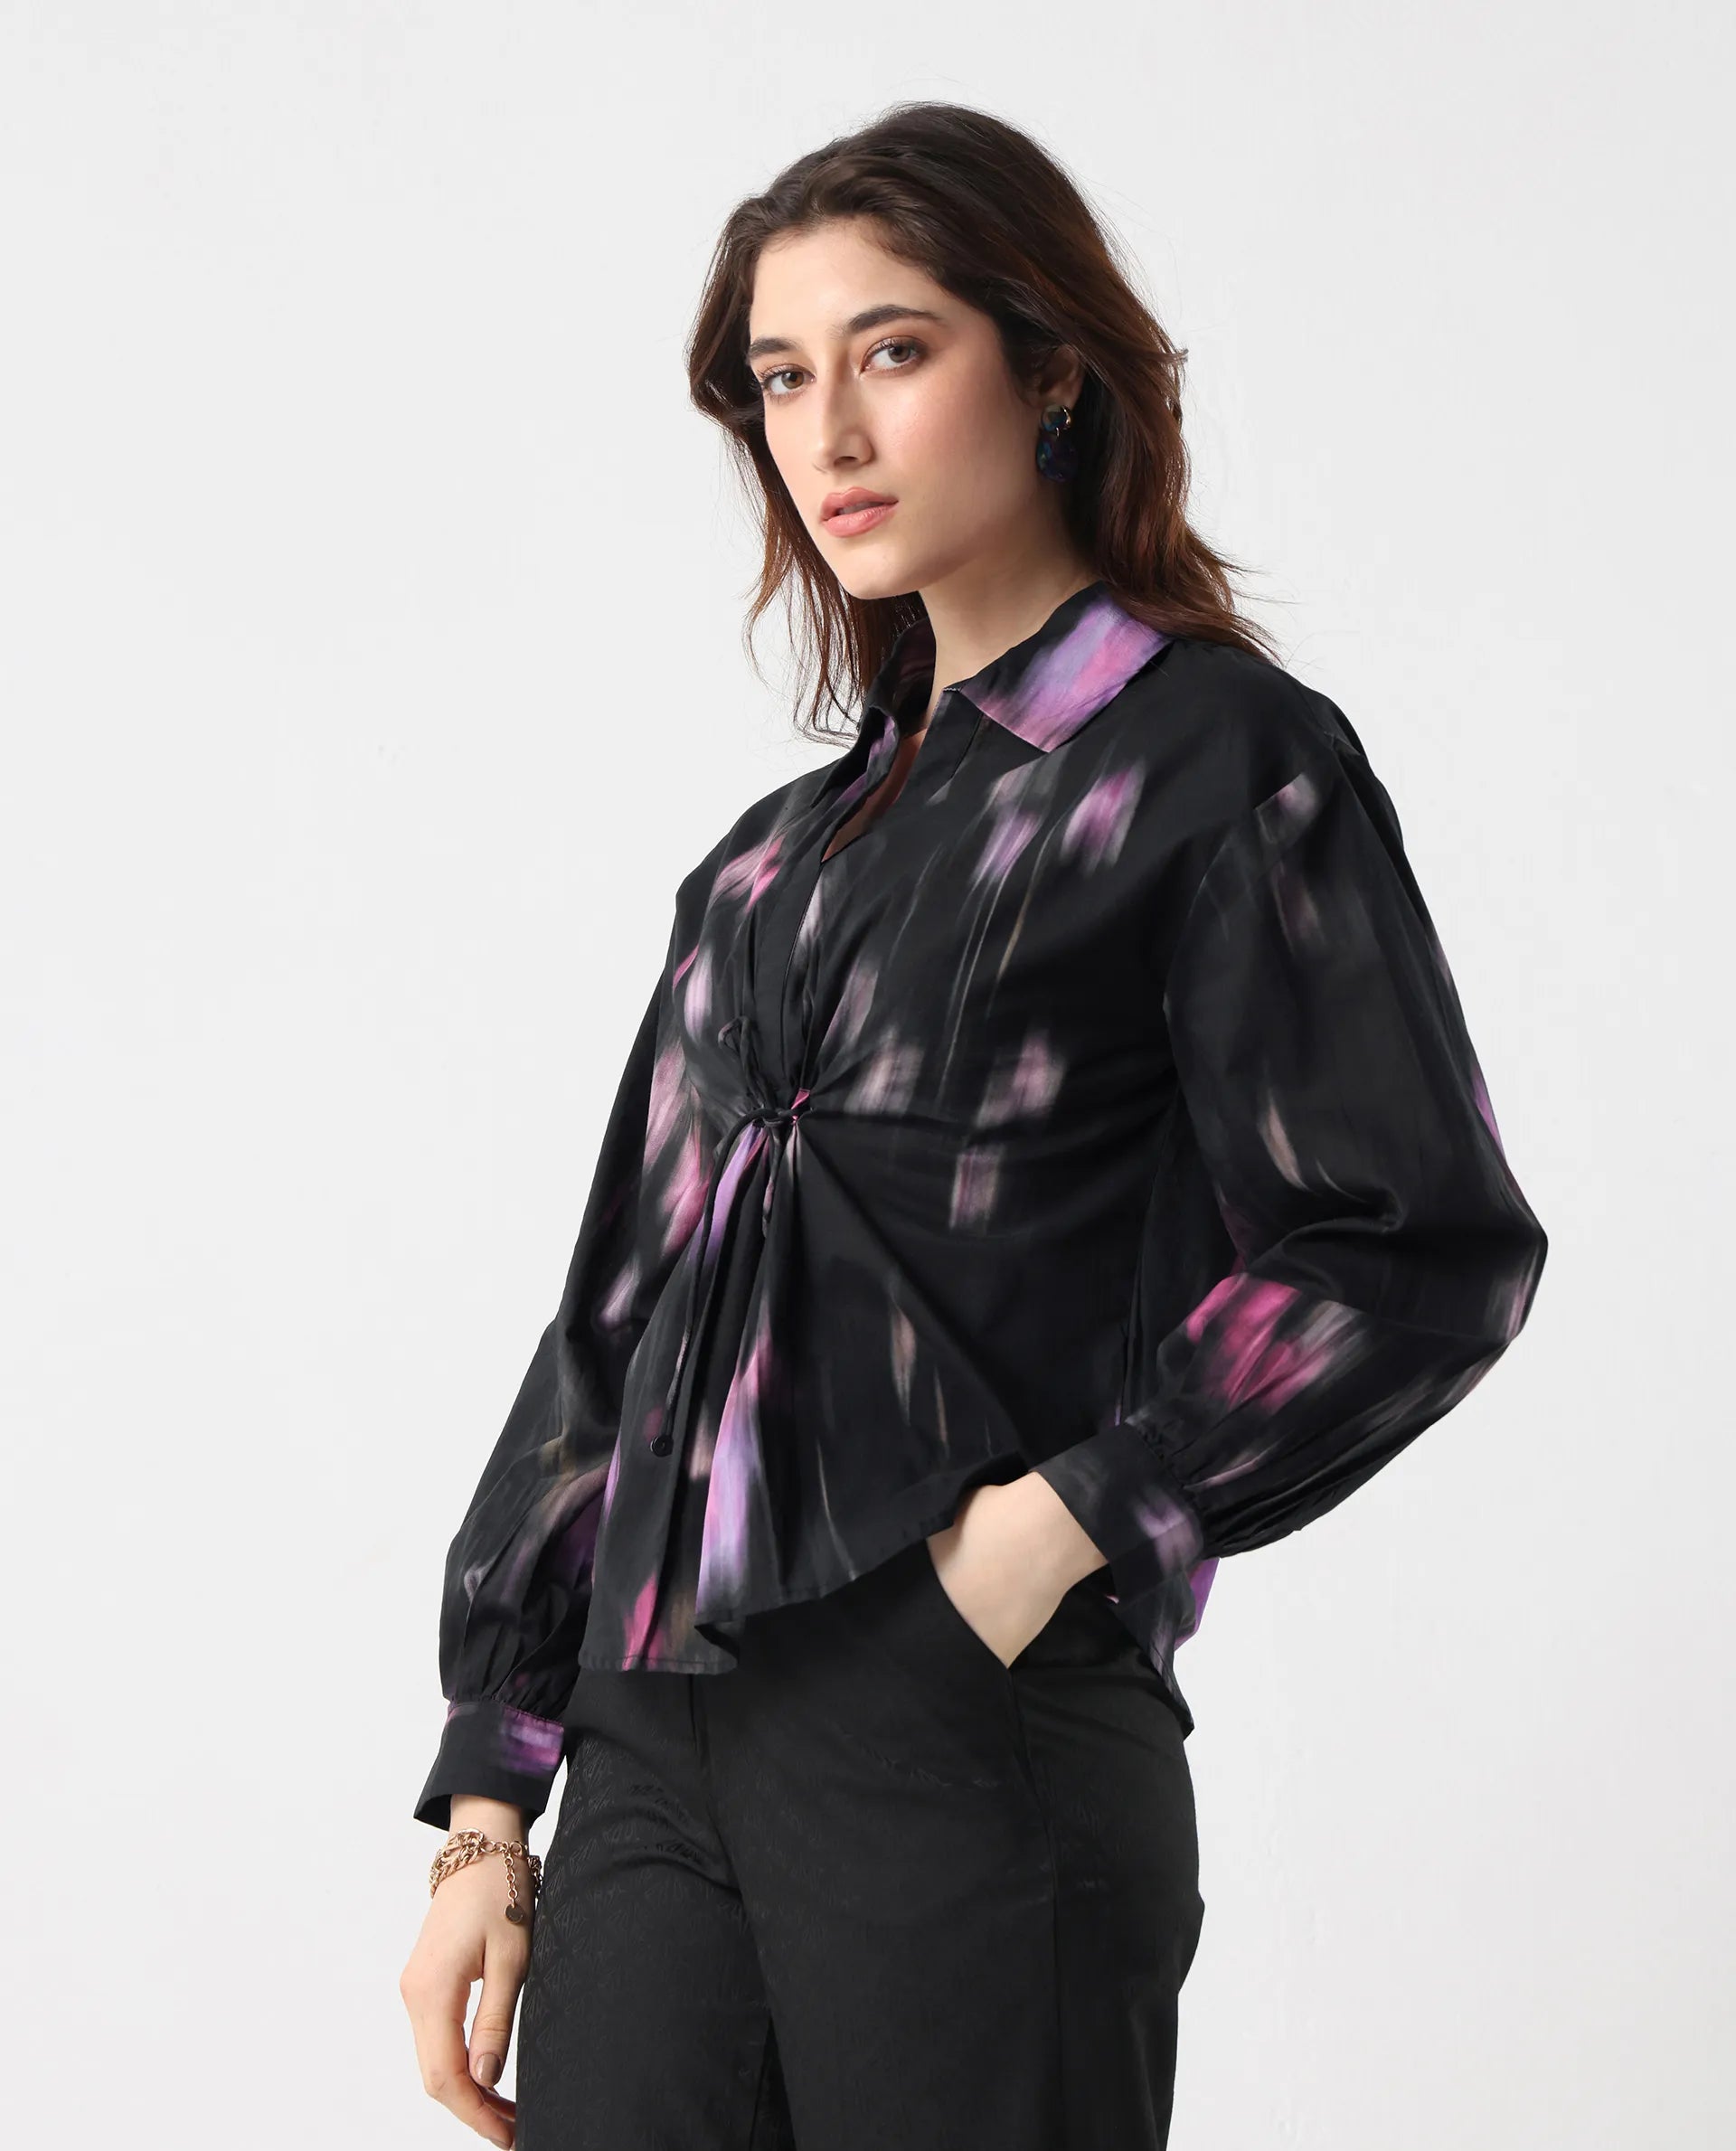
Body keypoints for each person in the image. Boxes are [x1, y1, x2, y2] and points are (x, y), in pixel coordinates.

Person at [398, 99, 1549, 2151]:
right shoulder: (766, 870)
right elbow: (615, 1331)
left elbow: (1407, 1244)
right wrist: (495, 1788)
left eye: (894, 351)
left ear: (1051, 370)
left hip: (962, 1709)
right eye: (781, 378)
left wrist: (1056, 1530)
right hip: (654, 1743)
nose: (828, 431)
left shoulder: (1215, 764)